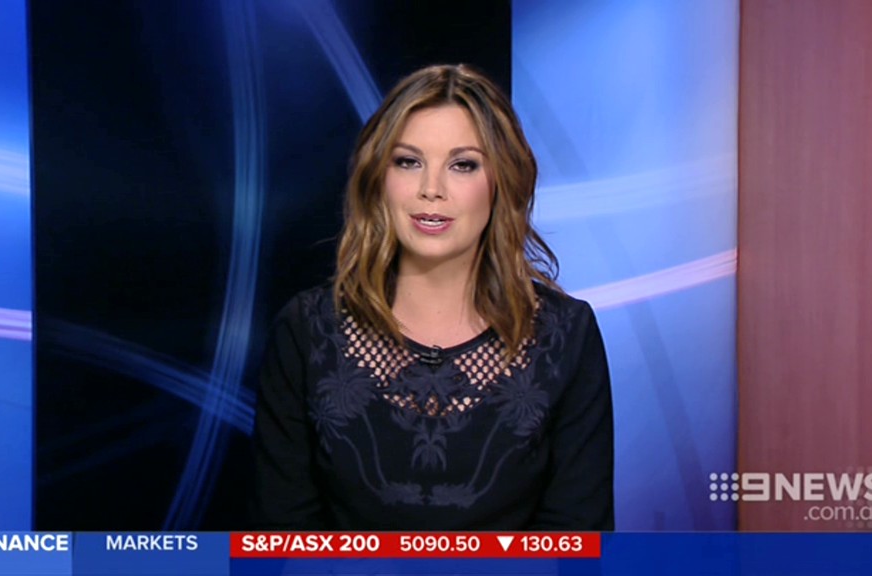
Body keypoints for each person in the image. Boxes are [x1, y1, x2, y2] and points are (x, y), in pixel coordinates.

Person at [251, 64, 613, 530]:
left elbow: (578, 542)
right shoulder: (307, 330)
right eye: (408, 162)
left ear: (501, 180)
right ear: (378, 178)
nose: (431, 190)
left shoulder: (565, 334)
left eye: (463, 165)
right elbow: (280, 541)